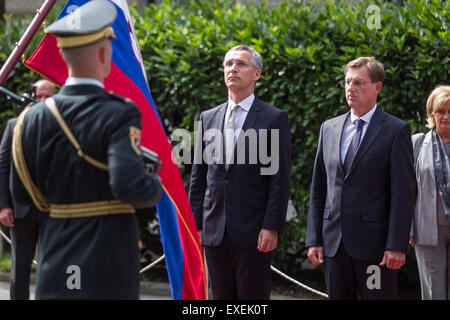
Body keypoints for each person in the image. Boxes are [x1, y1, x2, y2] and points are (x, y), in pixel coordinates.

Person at [10, 0, 162, 299]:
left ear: (64, 54)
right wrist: (152, 182)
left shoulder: (31, 118)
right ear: (105, 52)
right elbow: (128, 185)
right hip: (104, 252)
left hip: (56, 248)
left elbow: (22, 194)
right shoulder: (119, 112)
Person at [305, 57, 416, 299]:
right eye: (346, 82)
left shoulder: (396, 130)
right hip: (334, 243)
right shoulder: (329, 128)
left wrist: (396, 244)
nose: (350, 88)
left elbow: (403, 193)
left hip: (375, 247)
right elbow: (319, 187)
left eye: (358, 83)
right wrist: (314, 238)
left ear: (377, 87)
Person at [189, 45, 291, 300]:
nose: (232, 69)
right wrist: (195, 224)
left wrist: (271, 226)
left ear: (257, 74)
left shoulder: (273, 118)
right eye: (228, 64)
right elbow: (199, 177)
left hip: (254, 231)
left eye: (241, 64)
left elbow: (279, 180)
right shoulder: (207, 118)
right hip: (213, 229)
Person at [0, 79, 55, 300]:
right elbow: (3, 165)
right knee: (20, 270)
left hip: (54, 210)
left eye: (47, 97)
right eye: (38, 95)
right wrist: (3, 205)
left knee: (53, 268)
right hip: (21, 211)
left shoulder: (64, 126)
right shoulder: (14, 125)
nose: (41, 100)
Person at [410, 85, 450, 300]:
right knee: (434, 291)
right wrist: (406, 227)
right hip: (427, 229)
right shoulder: (416, 143)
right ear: (431, 113)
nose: (446, 116)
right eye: (440, 111)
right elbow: (406, 190)